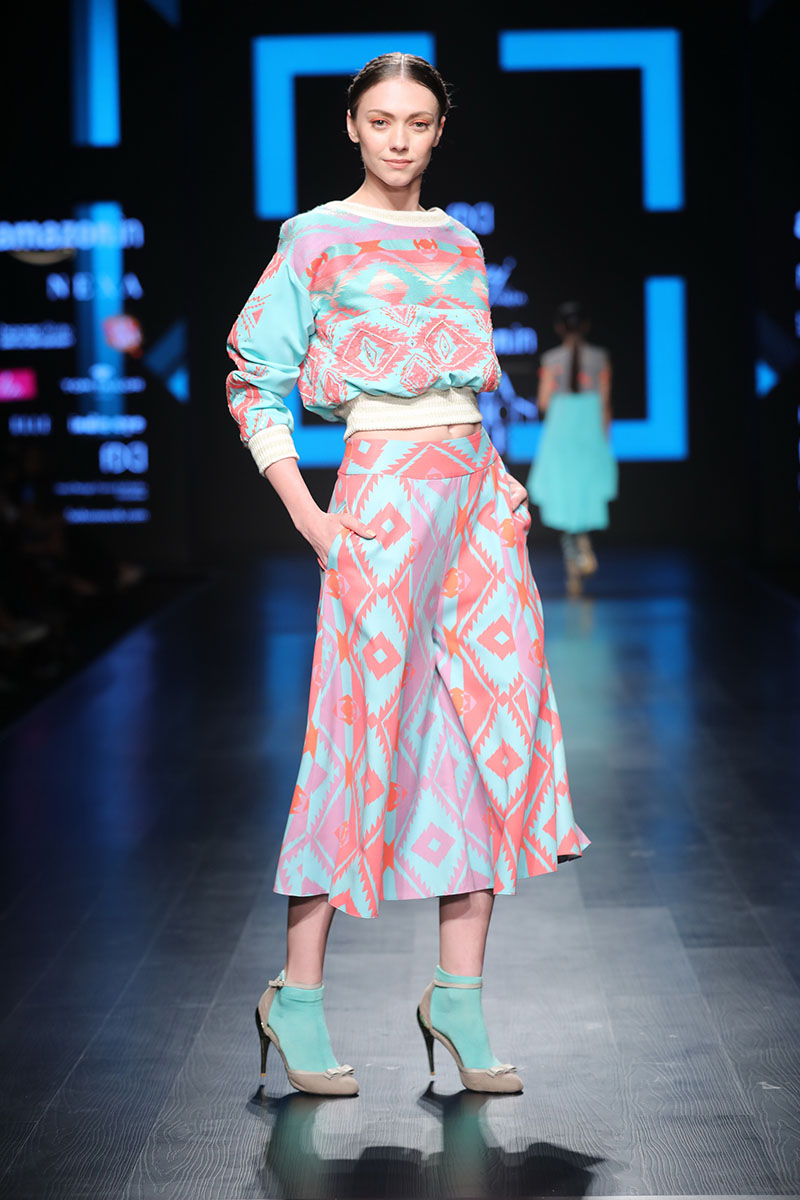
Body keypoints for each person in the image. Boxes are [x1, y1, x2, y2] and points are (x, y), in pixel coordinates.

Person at [226, 53, 590, 1099]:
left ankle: (457, 999)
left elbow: (463, 388)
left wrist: (500, 482)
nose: (397, 138)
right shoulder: (314, 238)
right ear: (352, 125)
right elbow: (253, 380)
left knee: (487, 732)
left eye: (417, 121)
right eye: (380, 119)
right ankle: (296, 999)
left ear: (438, 131)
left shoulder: (457, 242)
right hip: (378, 500)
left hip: (472, 502)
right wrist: (310, 516)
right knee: (357, 736)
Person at [526, 302, 618, 597]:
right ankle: (581, 549)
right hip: (589, 427)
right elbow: (605, 402)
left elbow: (543, 402)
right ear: (586, 326)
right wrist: (605, 440)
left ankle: (573, 559)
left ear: (559, 328)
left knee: (564, 493)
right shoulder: (600, 357)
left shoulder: (551, 359)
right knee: (583, 489)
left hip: (562, 427)